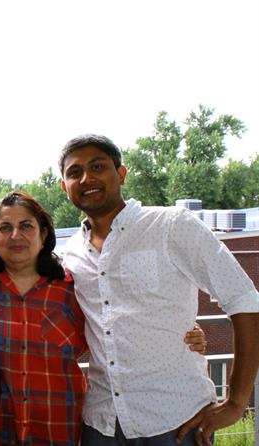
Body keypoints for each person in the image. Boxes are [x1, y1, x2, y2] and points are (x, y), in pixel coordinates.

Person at [0, 192, 206, 446]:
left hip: (60, 429)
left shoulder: (73, 287)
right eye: (5, 227)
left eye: (26, 226)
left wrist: (182, 332)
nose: (16, 236)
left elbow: (119, 321)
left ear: (44, 234)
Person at [59, 133, 259, 446]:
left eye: (97, 166)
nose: (87, 178)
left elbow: (243, 298)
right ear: (64, 186)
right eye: (75, 172)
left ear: (121, 173)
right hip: (101, 423)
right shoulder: (70, 253)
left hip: (176, 420)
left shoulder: (171, 225)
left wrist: (236, 402)